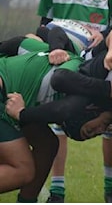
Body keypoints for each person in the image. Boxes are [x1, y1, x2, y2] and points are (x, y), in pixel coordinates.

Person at [37, 0, 112, 202]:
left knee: (107, 123)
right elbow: (44, 22)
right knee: (60, 125)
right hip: (64, 58)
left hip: (98, 57)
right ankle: (57, 191)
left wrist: (105, 33)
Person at [0, 38, 82, 202]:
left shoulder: (42, 48)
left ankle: (26, 201)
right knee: (22, 170)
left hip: (11, 102)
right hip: (5, 99)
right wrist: (109, 90)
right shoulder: (74, 64)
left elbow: (18, 42)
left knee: (47, 143)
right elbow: (61, 99)